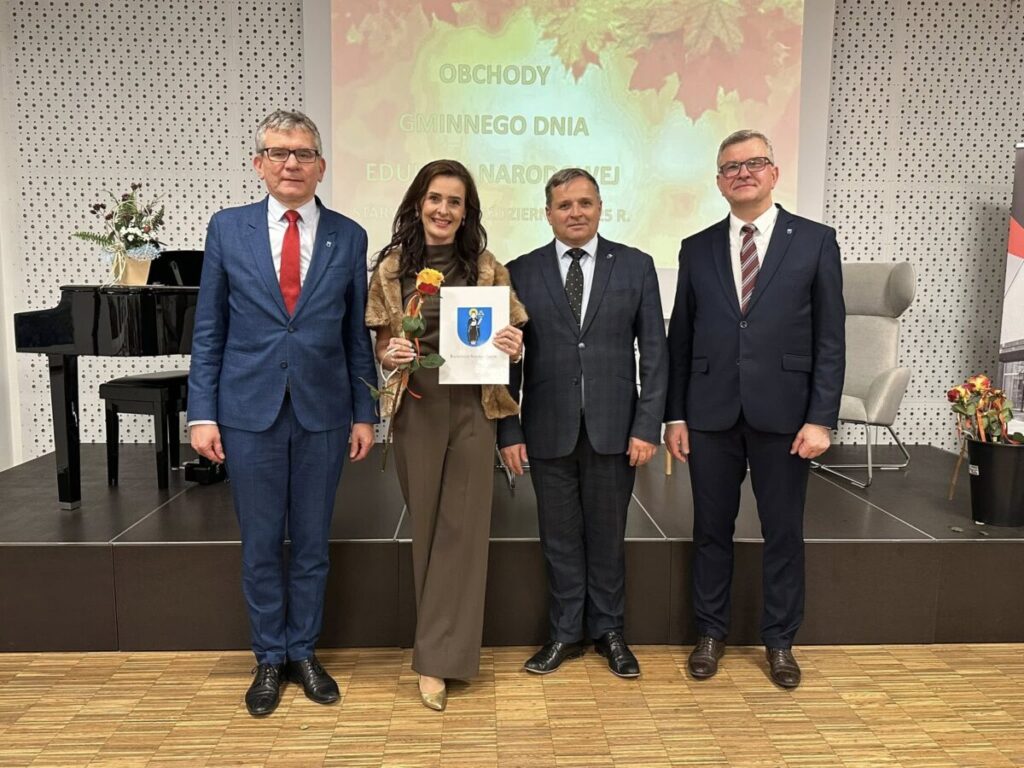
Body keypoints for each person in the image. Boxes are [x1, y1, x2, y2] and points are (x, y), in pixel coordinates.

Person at [188, 109, 378, 716]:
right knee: (262, 543)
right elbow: (209, 328)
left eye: (303, 153)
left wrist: (365, 411)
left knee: (314, 543)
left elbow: (355, 335)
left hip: (325, 411)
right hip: (248, 412)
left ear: (321, 165)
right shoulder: (228, 228)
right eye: (278, 152)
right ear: (259, 164)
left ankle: (304, 652)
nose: (291, 163)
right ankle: (269, 657)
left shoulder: (349, 235)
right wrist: (201, 413)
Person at [664, 129, 845, 689]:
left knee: (783, 532)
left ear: (774, 173)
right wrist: (675, 415)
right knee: (710, 530)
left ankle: (780, 641)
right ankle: (710, 633)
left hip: (787, 417)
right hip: (710, 414)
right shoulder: (696, 247)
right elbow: (681, 338)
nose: (742, 173)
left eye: (754, 163)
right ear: (719, 181)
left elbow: (830, 338)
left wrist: (821, 418)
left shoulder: (815, 241)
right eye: (730, 167)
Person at [365, 159, 527, 711]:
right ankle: (438, 647)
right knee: (429, 528)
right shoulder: (390, 269)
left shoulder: (487, 269)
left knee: (465, 530)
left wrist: (513, 346)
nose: (443, 209)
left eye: (455, 201)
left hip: (475, 409)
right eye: (435, 198)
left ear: (466, 211)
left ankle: (437, 659)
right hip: (418, 406)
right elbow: (380, 343)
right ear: (419, 204)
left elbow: (512, 337)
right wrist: (390, 351)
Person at [498, 168, 668, 679]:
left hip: (616, 429)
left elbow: (655, 354)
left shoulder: (636, 265)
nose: (576, 212)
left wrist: (647, 426)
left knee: (608, 536)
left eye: (585, 203)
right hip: (546, 429)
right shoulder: (519, 271)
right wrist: (509, 430)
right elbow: (509, 360)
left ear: (600, 208)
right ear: (548, 214)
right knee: (559, 538)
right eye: (565, 205)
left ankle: (610, 632)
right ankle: (565, 632)